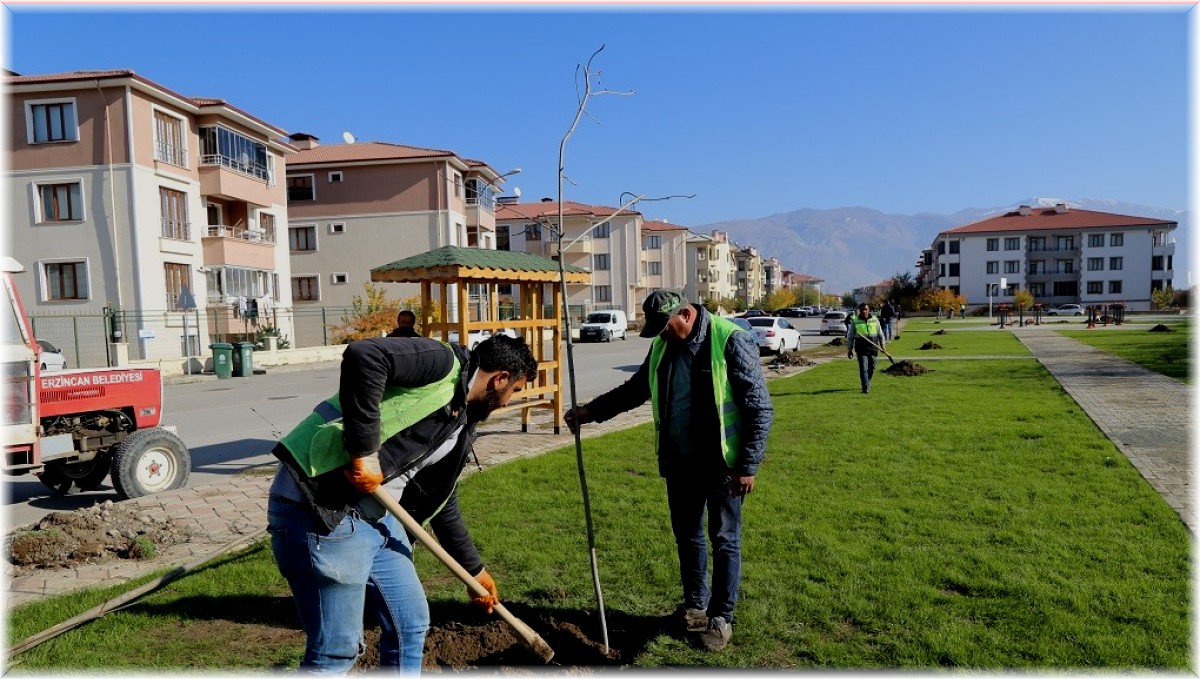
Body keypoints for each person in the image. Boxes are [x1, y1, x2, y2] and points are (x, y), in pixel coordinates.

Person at [267, 333, 538, 673]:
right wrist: (365, 451)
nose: (508, 402)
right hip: (323, 509)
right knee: (337, 651)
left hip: (378, 519)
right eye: (515, 390)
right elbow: (365, 355)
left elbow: (441, 498)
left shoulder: (461, 420)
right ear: (500, 379)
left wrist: (475, 571)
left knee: (409, 625)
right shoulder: (443, 364)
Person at [563, 290, 774, 653]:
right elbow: (635, 390)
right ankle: (696, 608)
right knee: (688, 537)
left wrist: (748, 465)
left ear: (686, 315)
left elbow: (759, 407)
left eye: (665, 327)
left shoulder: (730, 340)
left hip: (723, 465)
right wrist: (590, 412)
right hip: (680, 463)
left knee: (724, 539)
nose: (660, 335)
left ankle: (721, 618)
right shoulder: (663, 345)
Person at [846, 303, 886, 394]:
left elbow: (881, 335)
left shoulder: (874, 320)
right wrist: (850, 349)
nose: (864, 311)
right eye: (862, 310)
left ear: (869, 310)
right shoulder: (855, 321)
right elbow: (850, 337)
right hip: (861, 348)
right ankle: (865, 387)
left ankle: (867, 381)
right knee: (863, 367)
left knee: (872, 367)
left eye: (865, 309)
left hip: (873, 347)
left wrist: (883, 346)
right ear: (859, 311)